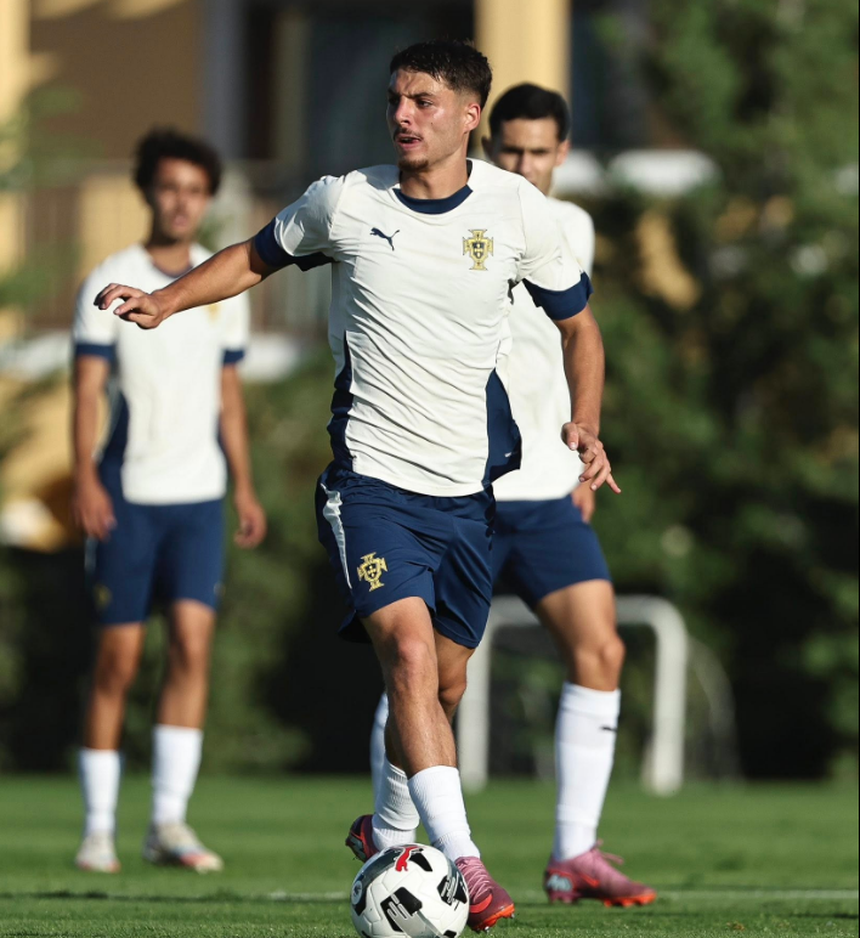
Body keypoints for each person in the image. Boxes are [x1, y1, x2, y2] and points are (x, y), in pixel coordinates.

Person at [94, 41, 617, 931]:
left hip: (467, 498)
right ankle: (470, 867)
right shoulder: (346, 199)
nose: (402, 115)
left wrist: (585, 423)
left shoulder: (518, 214)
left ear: (467, 116)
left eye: (422, 100)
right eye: (394, 99)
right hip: (370, 487)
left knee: (443, 688)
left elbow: (582, 331)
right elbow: (254, 256)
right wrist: (168, 299)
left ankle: (388, 827)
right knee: (409, 660)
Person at [71, 129, 266, 874]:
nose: (182, 202)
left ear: (207, 199)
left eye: (195, 190)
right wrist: (86, 476)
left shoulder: (223, 290)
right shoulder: (112, 276)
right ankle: (97, 827)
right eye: (170, 187)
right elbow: (86, 389)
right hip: (129, 493)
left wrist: (244, 484)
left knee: (192, 646)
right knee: (118, 658)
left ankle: (169, 823)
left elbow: (229, 397)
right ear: (148, 192)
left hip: (199, 498)